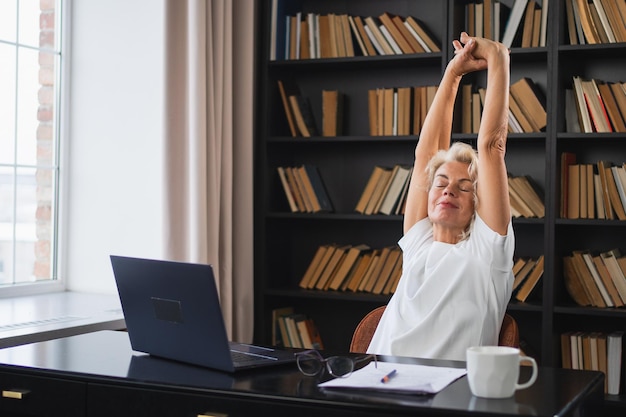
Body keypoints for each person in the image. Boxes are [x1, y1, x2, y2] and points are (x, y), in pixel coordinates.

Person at [366, 33, 515, 362]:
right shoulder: (419, 243)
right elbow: (425, 155)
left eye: (464, 187)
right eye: (442, 182)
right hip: (372, 383)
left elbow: (491, 147)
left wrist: (499, 58)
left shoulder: (488, 252)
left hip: (443, 394)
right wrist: (453, 74)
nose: (448, 190)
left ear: (479, 205)